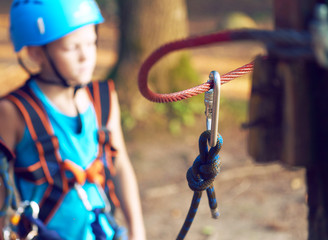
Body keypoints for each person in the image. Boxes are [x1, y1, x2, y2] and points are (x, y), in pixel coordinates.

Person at [0, 0, 146, 239]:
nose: (86, 55)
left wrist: (138, 231)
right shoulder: (13, 112)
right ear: (36, 53)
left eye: (91, 42)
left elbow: (121, 167)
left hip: (105, 233)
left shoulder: (104, 98)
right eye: (71, 47)